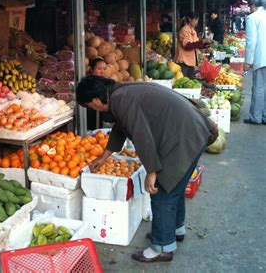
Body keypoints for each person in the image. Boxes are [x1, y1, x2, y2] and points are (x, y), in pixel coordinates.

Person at [76, 76, 217, 263]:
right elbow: (122, 127)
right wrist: (104, 157)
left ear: (94, 100)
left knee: (162, 192)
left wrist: (152, 172)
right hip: (191, 131)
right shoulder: (120, 93)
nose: (94, 109)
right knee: (174, 188)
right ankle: (175, 230)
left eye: (91, 107)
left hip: (184, 136)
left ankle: (162, 247)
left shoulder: (120, 99)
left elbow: (141, 135)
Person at [244, 0, 266, 125]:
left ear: (253, 6)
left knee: (258, 87)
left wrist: (248, 61)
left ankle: (255, 117)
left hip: (261, 58)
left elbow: (251, 42)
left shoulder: (253, 18)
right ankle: (264, 116)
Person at [174, 11, 211, 78]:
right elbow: (187, 46)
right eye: (195, 19)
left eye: (197, 20)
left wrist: (207, 44)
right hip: (184, 61)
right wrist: (202, 41)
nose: (197, 21)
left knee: (189, 81)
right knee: (183, 81)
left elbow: (197, 45)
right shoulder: (184, 30)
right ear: (189, 19)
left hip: (191, 60)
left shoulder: (193, 31)